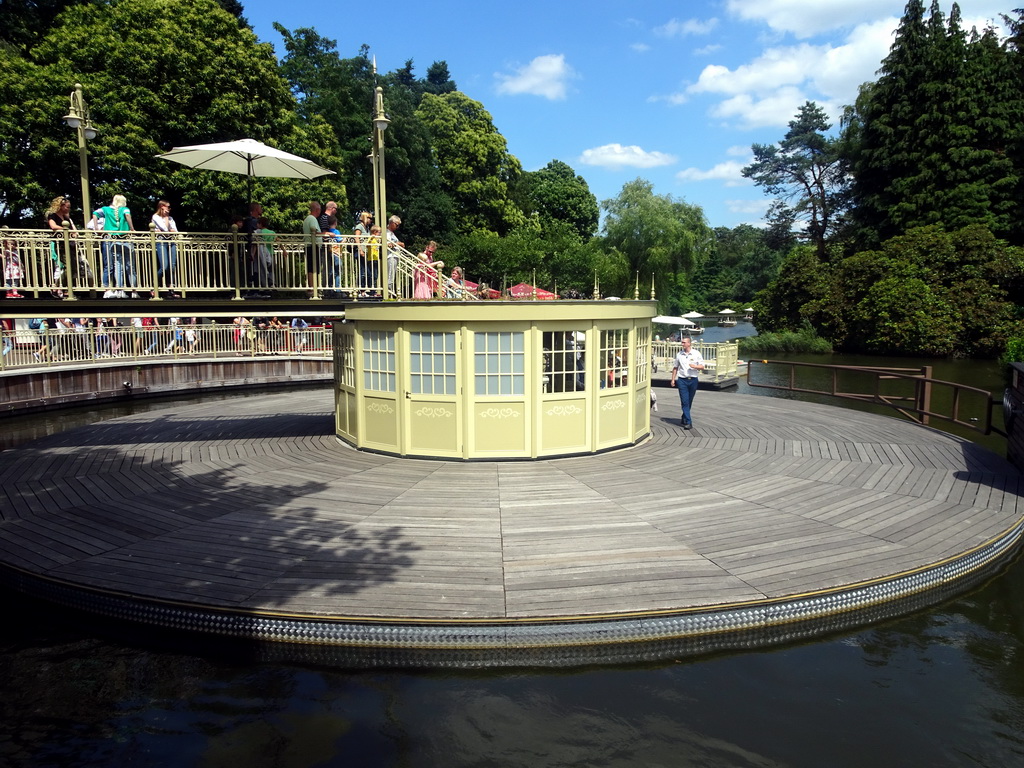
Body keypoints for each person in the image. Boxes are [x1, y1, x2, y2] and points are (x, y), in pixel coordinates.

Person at [92, 194, 136, 297]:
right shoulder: (124, 209)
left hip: (110, 238)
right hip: (123, 237)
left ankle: (118, 289)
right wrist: (132, 229)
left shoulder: (106, 209)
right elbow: (127, 215)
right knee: (129, 265)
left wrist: (96, 228)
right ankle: (132, 290)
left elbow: (95, 214)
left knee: (116, 265)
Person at [670, 335, 705, 430]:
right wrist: (673, 379)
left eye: (684, 342)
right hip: (682, 380)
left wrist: (695, 366)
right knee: (684, 401)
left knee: (689, 401)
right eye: (682, 342)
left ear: (689, 343)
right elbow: (675, 367)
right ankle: (689, 422)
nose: (682, 344)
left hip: (693, 379)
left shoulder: (696, 353)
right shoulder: (679, 354)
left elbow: (702, 366)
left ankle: (684, 417)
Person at [45, 196, 77, 298]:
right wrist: (65, 229)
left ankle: (63, 288)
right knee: (68, 266)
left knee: (72, 267)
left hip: (69, 244)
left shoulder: (66, 218)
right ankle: (57, 287)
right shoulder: (53, 215)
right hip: (60, 244)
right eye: (67, 207)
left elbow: (73, 231)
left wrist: (73, 233)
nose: (68, 209)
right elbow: (53, 226)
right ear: (61, 206)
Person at [151, 200, 178, 298]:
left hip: (172, 242)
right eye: (168, 207)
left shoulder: (171, 218)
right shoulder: (156, 217)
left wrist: (167, 230)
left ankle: (171, 290)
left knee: (172, 266)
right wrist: (166, 220)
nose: (169, 209)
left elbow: (175, 231)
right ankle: (154, 287)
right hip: (161, 242)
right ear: (162, 207)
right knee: (165, 266)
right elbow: (166, 230)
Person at [302, 201, 321, 297]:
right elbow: (314, 231)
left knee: (311, 267)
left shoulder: (306, 219)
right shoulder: (312, 219)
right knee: (313, 268)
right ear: (317, 210)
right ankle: (312, 288)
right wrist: (327, 234)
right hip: (312, 246)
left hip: (309, 246)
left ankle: (312, 288)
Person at [353, 210, 372, 291]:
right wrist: (360, 250)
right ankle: (361, 290)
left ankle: (364, 290)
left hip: (366, 252)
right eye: (369, 218)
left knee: (366, 272)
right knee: (363, 272)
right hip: (361, 252)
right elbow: (356, 238)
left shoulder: (366, 228)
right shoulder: (359, 226)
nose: (370, 220)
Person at [385, 215, 403, 298]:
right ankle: (389, 294)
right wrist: (398, 243)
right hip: (390, 256)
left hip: (395, 256)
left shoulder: (392, 234)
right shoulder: (386, 233)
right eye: (397, 224)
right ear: (391, 223)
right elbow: (388, 244)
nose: (398, 227)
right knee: (390, 276)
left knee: (392, 276)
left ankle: (391, 293)